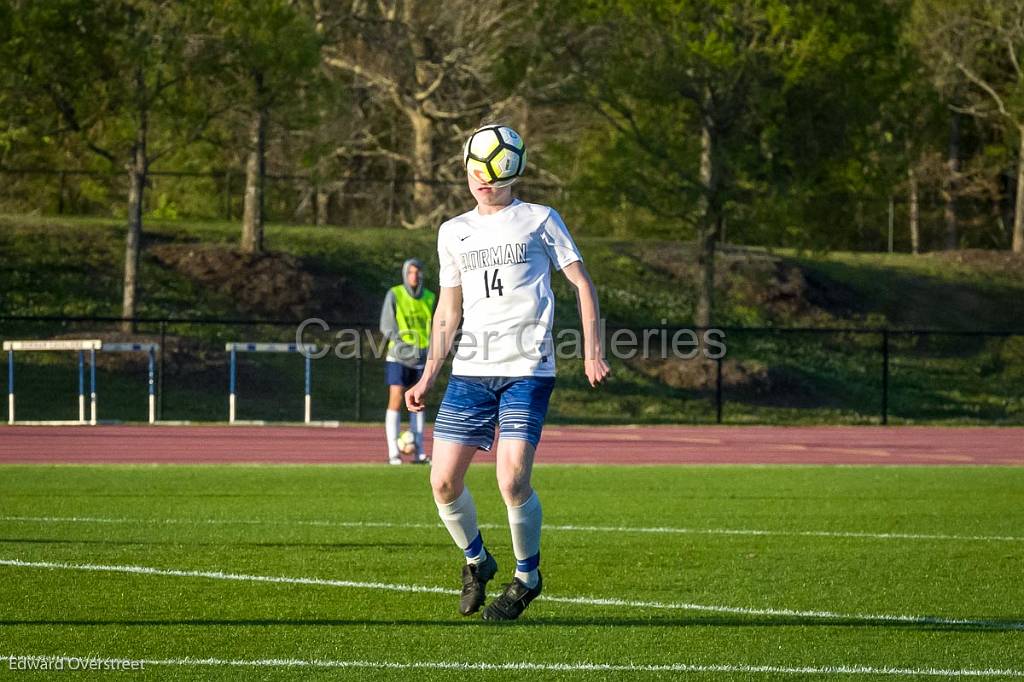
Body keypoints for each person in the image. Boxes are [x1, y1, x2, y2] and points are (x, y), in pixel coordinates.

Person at [406, 124, 609, 621]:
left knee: (513, 480)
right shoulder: (452, 231)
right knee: (442, 484)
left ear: (511, 171)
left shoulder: (540, 219)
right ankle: (477, 561)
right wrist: (428, 375)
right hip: (470, 372)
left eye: (492, 174)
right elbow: (448, 311)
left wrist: (592, 350)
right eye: (475, 171)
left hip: (527, 369)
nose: (482, 180)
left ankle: (527, 577)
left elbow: (582, 284)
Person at [380, 258, 435, 464]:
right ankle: (393, 451)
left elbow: (437, 324)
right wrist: (403, 346)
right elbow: (387, 325)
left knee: (418, 401)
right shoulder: (395, 294)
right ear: (405, 274)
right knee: (396, 397)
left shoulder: (429, 297)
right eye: (410, 272)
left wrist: (429, 349)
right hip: (398, 356)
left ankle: (419, 451)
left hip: (421, 358)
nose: (414, 276)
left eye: (417, 272)